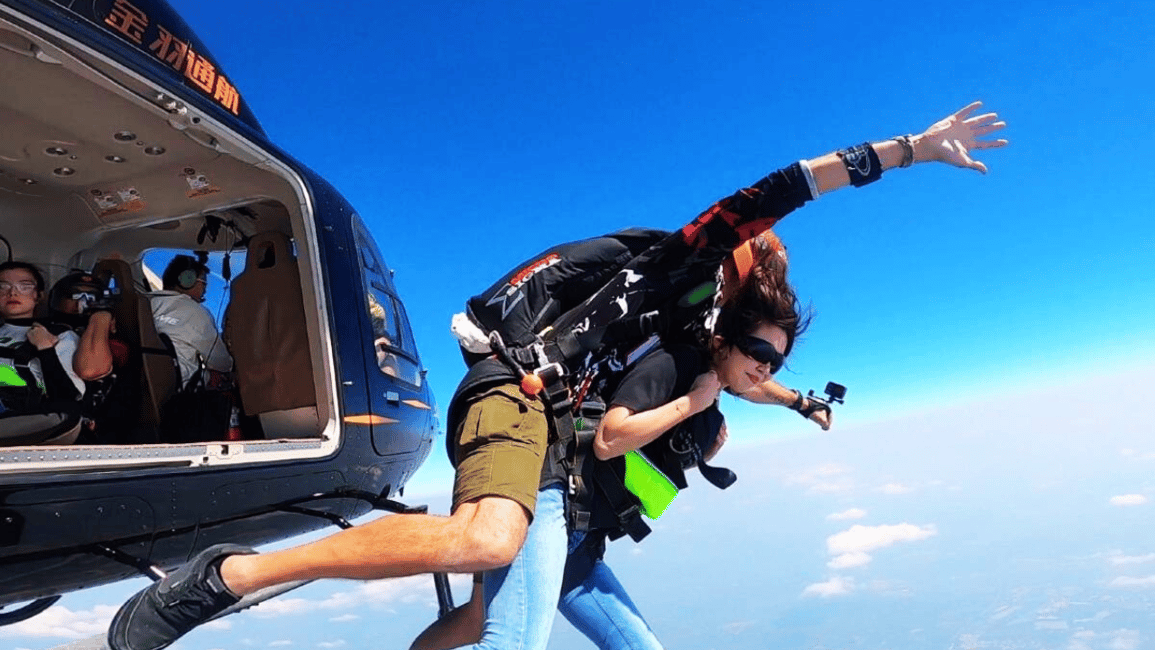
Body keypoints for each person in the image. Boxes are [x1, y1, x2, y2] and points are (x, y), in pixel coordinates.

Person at [108, 101, 1007, 650]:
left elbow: (742, 379)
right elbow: (775, 191)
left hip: (550, 434)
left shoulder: (695, 340)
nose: (761, 267)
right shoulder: (683, 269)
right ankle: (227, 578)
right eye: (760, 265)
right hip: (513, 390)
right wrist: (908, 150)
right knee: (492, 543)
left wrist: (797, 399)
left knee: (484, 615)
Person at [0, 261, 86, 446]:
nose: (12, 293)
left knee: (67, 411)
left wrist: (45, 349)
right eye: (3, 286)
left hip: (30, 416)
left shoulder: (59, 334)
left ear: (38, 295)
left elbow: (68, 397)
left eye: (24, 286)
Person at [150, 254, 233, 387]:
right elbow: (221, 363)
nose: (205, 289)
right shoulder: (196, 312)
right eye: (203, 282)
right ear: (187, 281)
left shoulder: (144, 302)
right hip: (180, 389)